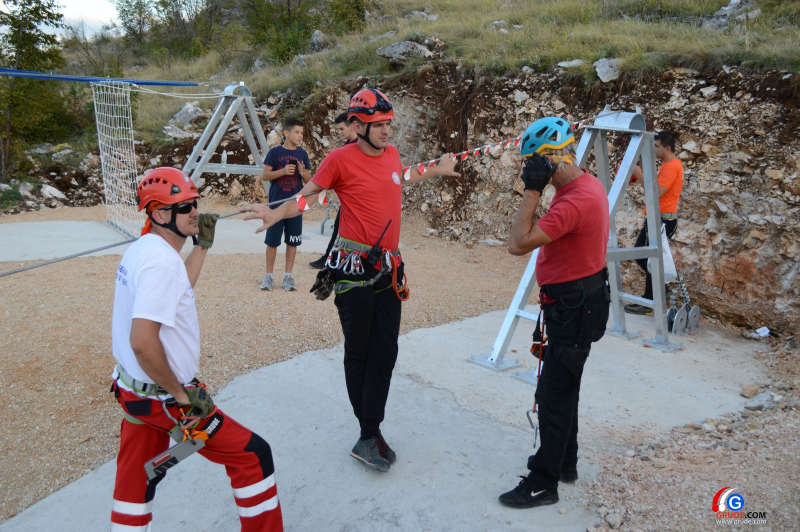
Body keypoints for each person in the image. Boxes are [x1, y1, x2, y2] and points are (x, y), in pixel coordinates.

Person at [241, 88, 459, 473]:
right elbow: (308, 197)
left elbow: (401, 175)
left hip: (388, 268)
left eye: (388, 123)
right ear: (358, 126)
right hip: (353, 268)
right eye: (378, 124)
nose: (386, 130)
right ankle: (368, 434)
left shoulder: (391, 154)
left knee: (386, 352)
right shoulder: (339, 159)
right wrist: (275, 213)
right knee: (360, 351)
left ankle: (371, 430)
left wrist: (436, 169)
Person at [110, 167, 283, 531]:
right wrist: (181, 396)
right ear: (160, 215)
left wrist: (202, 244)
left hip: (135, 393)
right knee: (253, 455)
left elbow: (180, 286)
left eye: (195, 203)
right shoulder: (160, 262)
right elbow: (142, 341)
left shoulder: (146, 248)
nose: (195, 212)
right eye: (185, 206)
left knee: (137, 480)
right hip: (165, 399)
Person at [498, 117, 610, 509]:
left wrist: (532, 189)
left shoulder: (575, 200)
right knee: (565, 387)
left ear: (548, 160)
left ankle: (544, 482)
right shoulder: (584, 185)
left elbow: (518, 243)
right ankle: (565, 463)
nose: (529, 169)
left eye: (533, 162)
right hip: (577, 303)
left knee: (553, 396)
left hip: (573, 308)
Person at [624, 131, 684, 315]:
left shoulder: (671, 166)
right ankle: (660, 293)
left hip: (663, 219)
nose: (654, 149)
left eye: (656, 146)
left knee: (648, 257)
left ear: (667, 148)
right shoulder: (667, 165)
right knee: (645, 256)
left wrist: (639, 174)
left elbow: (656, 192)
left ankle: (650, 302)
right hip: (658, 217)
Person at [259, 117, 312, 291]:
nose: (300, 136)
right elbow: (265, 175)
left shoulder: (302, 154)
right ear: (286, 133)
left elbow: (310, 181)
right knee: (272, 241)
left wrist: (302, 172)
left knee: (293, 241)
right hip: (276, 204)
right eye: (297, 132)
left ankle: (288, 276)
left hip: (297, 205)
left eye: (302, 133)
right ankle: (269, 276)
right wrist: (282, 171)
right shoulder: (275, 152)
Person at [309, 112, 359, 270]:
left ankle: (338, 260)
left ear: (352, 127)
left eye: (341, 129)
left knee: (347, 230)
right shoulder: (348, 145)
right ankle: (331, 259)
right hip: (348, 199)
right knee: (339, 227)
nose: (339, 132)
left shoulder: (360, 146)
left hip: (358, 199)